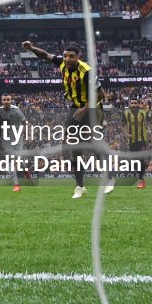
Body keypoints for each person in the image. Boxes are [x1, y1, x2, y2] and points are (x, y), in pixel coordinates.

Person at [21, 40, 111, 199]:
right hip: (75, 108)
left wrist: (85, 108)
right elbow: (45, 55)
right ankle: (80, 186)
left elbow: (101, 95)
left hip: (91, 108)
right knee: (73, 146)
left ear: (78, 57)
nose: (67, 59)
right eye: (65, 56)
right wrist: (31, 48)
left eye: (71, 56)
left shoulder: (87, 71)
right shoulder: (62, 63)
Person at [0, 93, 28, 192]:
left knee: (18, 158)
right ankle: (16, 185)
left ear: (11, 100)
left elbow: (25, 122)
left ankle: (25, 170)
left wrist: (23, 131)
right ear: (2, 101)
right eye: (4, 100)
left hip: (17, 138)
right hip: (6, 139)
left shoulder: (17, 110)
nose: (6, 102)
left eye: (8, 100)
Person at [122, 98, 150, 189]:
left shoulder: (143, 112)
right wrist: (126, 134)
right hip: (132, 140)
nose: (134, 105)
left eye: (135, 103)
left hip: (142, 139)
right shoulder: (126, 113)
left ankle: (140, 180)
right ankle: (142, 177)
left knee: (140, 159)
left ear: (138, 104)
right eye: (132, 103)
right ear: (129, 104)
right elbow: (121, 126)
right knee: (134, 162)